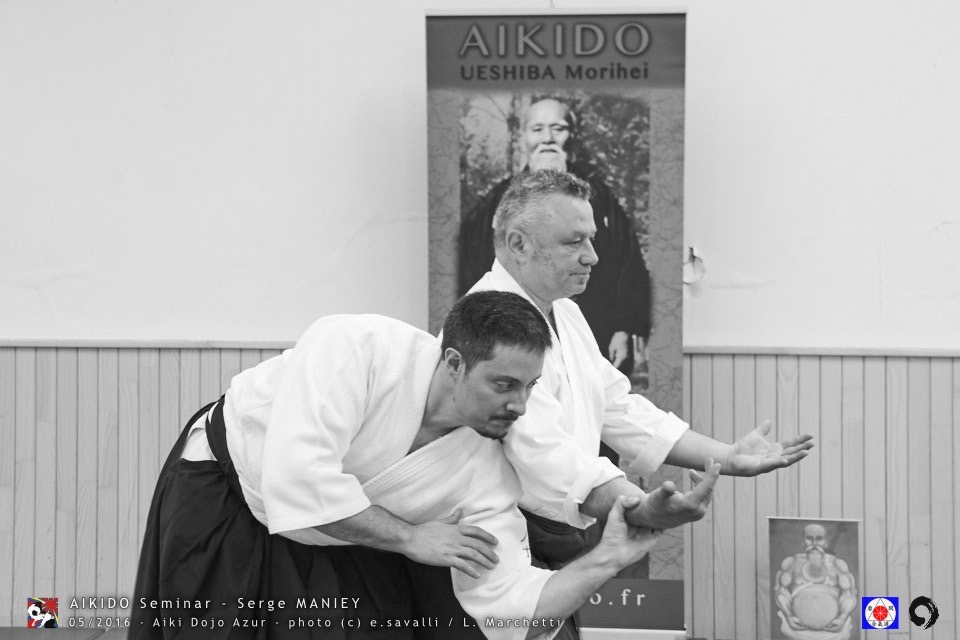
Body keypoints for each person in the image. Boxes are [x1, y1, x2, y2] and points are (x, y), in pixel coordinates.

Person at [131, 290, 712, 640]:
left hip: (343, 537)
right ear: (454, 363)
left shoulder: (486, 472)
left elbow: (511, 611)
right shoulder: (355, 347)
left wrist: (606, 558)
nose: (518, 405)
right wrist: (411, 537)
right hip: (226, 493)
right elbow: (296, 476)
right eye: (503, 384)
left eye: (530, 388)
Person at [465, 169, 815, 638]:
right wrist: (639, 507)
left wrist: (725, 455)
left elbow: (619, 407)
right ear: (518, 243)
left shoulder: (563, 311)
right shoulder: (487, 321)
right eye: (574, 242)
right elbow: (543, 453)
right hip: (499, 536)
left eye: (591, 238)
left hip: (556, 532)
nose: (592, 256)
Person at [459, 97, 650, 375]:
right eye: (537, 129)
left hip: (596, 327)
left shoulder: (599, 197)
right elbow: (470, 267)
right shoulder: (494, 204)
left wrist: (625, 327)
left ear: (571, 137)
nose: (547, 139)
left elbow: (628, 262)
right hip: (512, 333)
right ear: (523, 137)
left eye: (557, 128)